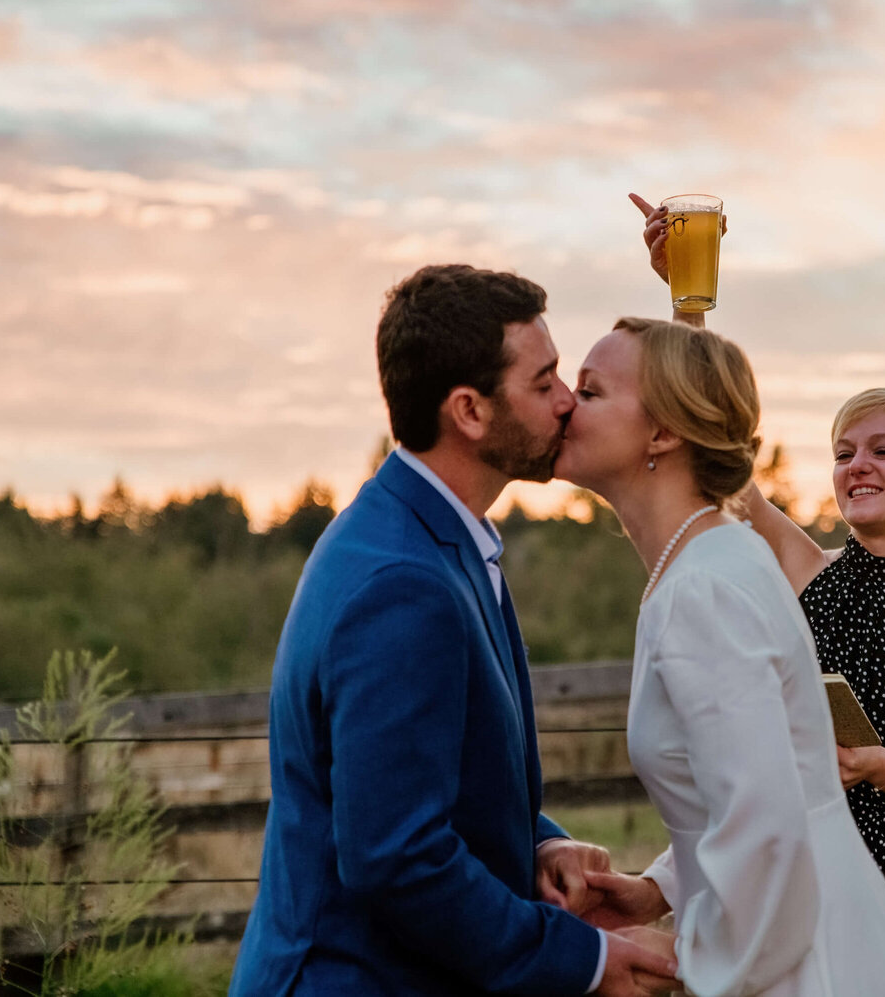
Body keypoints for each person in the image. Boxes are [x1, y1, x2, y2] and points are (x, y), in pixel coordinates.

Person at [230, 265, 679, 996]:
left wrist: (537, 840)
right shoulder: (401, 583)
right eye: (543, 383)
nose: (567, 400)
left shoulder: (426, 535)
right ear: (469, 410)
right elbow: (396, 855)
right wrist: (582, 960)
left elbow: (427, 774)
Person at [631, 195, 885, 997]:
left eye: (884, 449)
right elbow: (716, 449)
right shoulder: (805, 571)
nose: (858, 466)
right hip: (794, 894)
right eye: (844, 452)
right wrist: (686, 302)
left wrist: (880, 767)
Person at [554, 317, 885, 997]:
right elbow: (762, 777)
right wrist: (659, 888)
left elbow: (769, 834)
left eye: (589, 391)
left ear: (663, 432)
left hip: (800, 965)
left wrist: (680, 958)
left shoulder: (704, 586)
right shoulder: (714, 557)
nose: (561, 405)